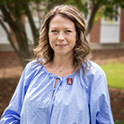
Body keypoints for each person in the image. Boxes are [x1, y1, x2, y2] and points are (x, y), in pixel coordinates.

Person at [0, 5, 114, 124]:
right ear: (47, 34)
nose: (60, 37)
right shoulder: (32, 70)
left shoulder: (93, 75)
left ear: (77, 35)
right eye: (54, 31)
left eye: (67, 31)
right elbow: (12, 116)